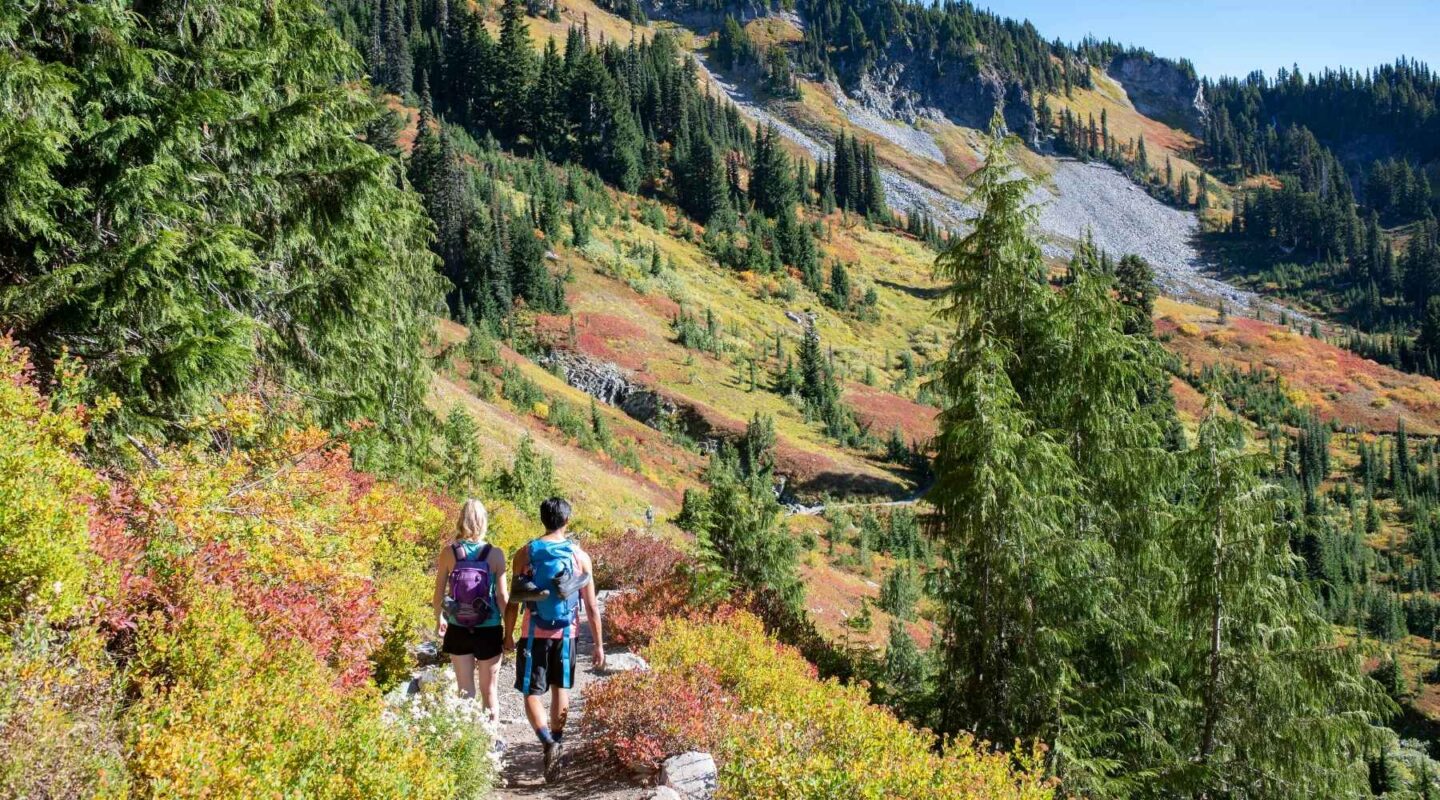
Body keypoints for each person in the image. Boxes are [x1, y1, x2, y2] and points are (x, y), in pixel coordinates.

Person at [503, 496, 604, 783]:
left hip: (533, 632)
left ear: (542, 519)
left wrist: (507, 634)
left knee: (532, 693)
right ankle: (557, 741)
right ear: (567, 521)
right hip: (567, 633)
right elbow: (592, 606)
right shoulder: (579, 557)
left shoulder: (525, 553)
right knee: (561, 688)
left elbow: (514, 600)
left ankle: (547, 741)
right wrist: (598, 644)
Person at [434, 499, 509, 723]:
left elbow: (438, 592)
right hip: (489, 628)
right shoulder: (495, 554)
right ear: (484, 521)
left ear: (460, 520)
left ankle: (469, 748)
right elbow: (502, 596)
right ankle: (492, 746)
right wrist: (510, 631)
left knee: (465, 692)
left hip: (458, 627)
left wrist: (439, 618)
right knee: (490, 693)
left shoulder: (449, 553)